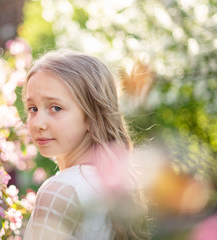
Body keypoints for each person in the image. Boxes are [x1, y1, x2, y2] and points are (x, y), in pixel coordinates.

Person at [23, 50, 149, 240]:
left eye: (55, 108)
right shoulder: (115, 185)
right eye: (33, 109)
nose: (38, 123)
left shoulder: (59, 191)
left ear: (91, 116)